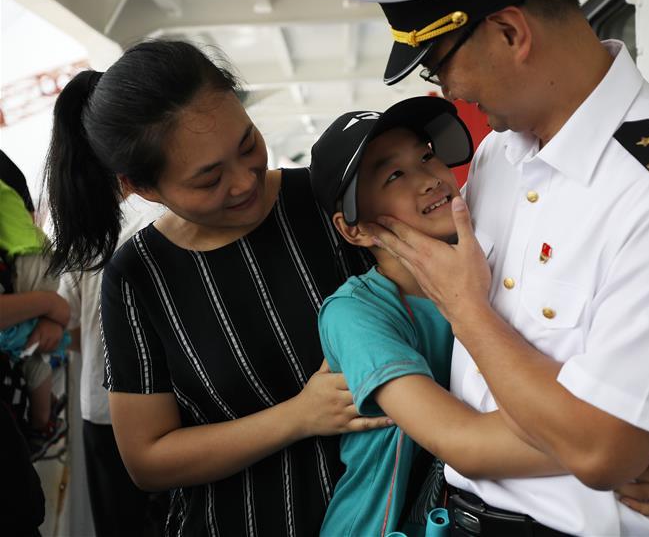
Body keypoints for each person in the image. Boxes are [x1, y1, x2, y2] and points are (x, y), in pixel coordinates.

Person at [328, 0, 649, 535]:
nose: (447, 90)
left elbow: (602, 448)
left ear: (509, 33)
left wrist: (466, 309)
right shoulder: (501, 154)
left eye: (439, 65)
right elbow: (586, 417)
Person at [43, 39, 392, 536]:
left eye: (248, 144)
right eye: (208, 179)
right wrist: (299, 416)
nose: (245, 181)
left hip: (390, 514)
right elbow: (148, 459)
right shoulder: (139, 277)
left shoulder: (327, 199)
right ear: (140, 188)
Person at [310, 96, 649, 536]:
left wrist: (636, 438)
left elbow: (562, 392)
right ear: (353, 228)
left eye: (427, 156)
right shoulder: (355, 314)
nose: (429, 179)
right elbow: (465, 444)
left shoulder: (489, 271)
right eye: (395, 174)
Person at [58, 191, 167, 537]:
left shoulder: (82, 231)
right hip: (170, 398)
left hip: (102, 403)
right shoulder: (168, 213)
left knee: (118, 522)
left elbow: (67, 321)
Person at [0, 173, 70, 458]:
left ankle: (43, 423)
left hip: (26, 259)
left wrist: (49, 306)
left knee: (25, 347)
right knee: (29, 346)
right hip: (34, 254)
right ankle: (46, 414)